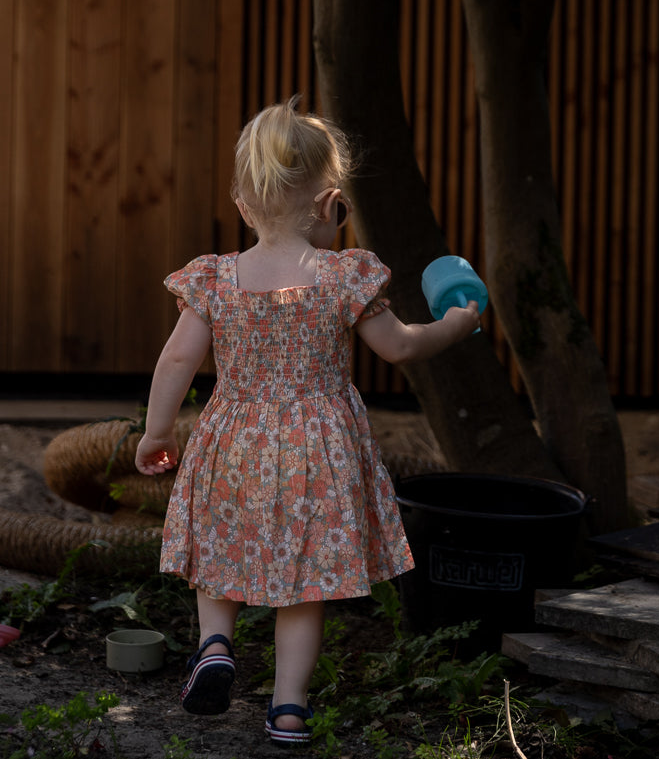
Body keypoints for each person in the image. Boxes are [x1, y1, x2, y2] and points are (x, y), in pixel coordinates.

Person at [134, 97, 480, 746]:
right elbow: (401, 346)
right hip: (318, 448)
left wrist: (158, 431)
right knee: (303, 585)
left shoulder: (216, 278)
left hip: (234, 439)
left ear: (243, 202)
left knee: (217, 556)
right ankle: (288, 709)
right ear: (331, 205)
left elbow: (178, 355)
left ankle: (214, 643)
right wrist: (455, 323)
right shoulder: (342, 276)